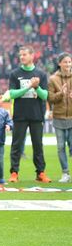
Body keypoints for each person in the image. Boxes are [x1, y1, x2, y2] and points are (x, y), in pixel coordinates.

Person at [5, 46, 51, 183]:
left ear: (32, 56)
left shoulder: (41, 74)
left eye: (24, 54)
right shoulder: (15, 73)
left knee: (38, 145)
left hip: (36, 115)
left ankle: (40, 173)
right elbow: (12, 94)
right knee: (16, 145)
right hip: (20, 114)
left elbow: (45, 96)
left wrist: (37, 87)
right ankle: (14, 173)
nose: (22, 57)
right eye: (20, 55)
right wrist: (29, 87)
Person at [48, 52, 72, 183]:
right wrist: (61, 94)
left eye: (69, 62)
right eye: (65, 62)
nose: (68, 64)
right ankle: (65, 173)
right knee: (61, 147)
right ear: (59, 63)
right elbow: (50, 98)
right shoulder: (53, 79)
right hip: (59, 118)